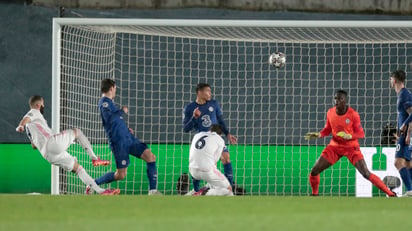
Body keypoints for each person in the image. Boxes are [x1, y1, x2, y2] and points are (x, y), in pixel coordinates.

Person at [16, 95, 118, 195]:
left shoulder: (29, 128)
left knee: (78, 168)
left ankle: (101, 191)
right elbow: (26, 119)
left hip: (47, 155)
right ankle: (94, 158)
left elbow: (34, 146)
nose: (44, 106)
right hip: (51, 144)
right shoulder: (34, 112)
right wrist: (20, 125)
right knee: (77, 132)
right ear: (38, 105)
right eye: (43, 104)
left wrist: (28, 130)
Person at [304, 90, 395, 197]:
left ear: (345, 101)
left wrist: (349, 136)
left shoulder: (353, 114)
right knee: (315, 170)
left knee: (365, 173)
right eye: (335, 99)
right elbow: (328, 129)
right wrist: (319, 134)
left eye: (340, 99)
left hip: (351, 148)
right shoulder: (330, 112)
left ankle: (391, 194)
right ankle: (315, 195)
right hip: (334, 147)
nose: (336, 101)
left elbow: (361, 133)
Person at [93, 79, 161, 195]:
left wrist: (126, 129)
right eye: (115, 89)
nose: (115, 91)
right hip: (119, 143)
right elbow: (110, 118)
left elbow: (116, 124)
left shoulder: (110, 103)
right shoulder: (104, 103)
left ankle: (153, 191)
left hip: (128, 138)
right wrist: (122, 111)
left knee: (150, 156)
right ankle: (93, 184)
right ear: (111, 88)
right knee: (120, 175)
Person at [183, 83, 238, 193]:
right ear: (199, 92)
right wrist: (194, 118)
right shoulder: (189, 108)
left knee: (226, 158)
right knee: (200, 164)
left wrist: (227, 134)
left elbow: (221, 120)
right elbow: (185, 128)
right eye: (208, 91)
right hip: (201, 139)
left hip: (215, 138)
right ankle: (197, 190)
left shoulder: (214, 104)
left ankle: (230, 187)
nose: (210, 93)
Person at [189, 124, 233, 196]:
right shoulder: (220, 140)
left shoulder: (197, 135)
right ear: (220, 134)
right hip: (206, 170)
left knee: (212, 183)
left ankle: (201, 190)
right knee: (229, 190)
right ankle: (204, 193)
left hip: (192, 171)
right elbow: (215, 160)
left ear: (210, 130)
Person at [390, 70, 412, 196]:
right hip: (406, 134)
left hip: (406, 134)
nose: (390, 81)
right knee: (408, 163)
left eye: (391, 79)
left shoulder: (404, 95)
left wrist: (407, 132)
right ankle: (411, 189)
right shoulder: (403, 94)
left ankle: (410, 190)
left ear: (394, 80)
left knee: (398, 162)